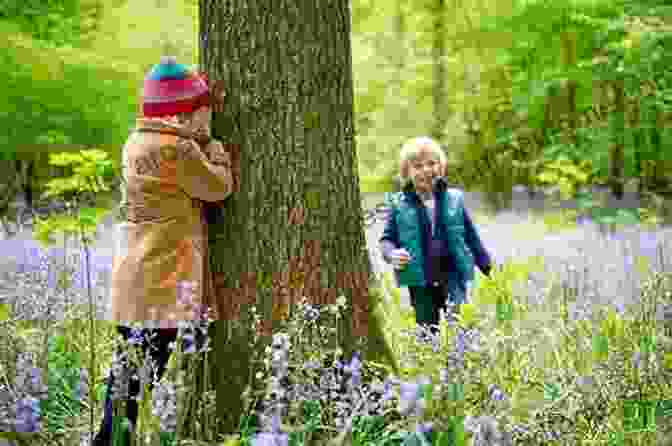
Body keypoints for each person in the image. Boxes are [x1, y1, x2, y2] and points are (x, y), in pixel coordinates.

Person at [93, 56, 233, 445]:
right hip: (163, 281)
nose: (209, 119)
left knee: (126, 376)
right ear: (184, 115)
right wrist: (217, 152)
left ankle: (109, 439)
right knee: (140, 379)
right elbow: (217, 188)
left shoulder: (136, 142)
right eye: (204, 111)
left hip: (135, 277)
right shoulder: (179, 149)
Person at [379, 136, 493, 340]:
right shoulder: (398, 204)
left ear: (441, 168)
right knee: (426, 330)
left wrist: (485, 264)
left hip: (452, 274)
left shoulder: (454, 199)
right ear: (407, 172)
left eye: (432, 163)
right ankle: (430, 365)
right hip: (420, 280)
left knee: (459, 323)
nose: (426, 170)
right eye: (418, 166)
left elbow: (469, 233)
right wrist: (392, 254)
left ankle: (461, 359)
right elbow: (387, 239)